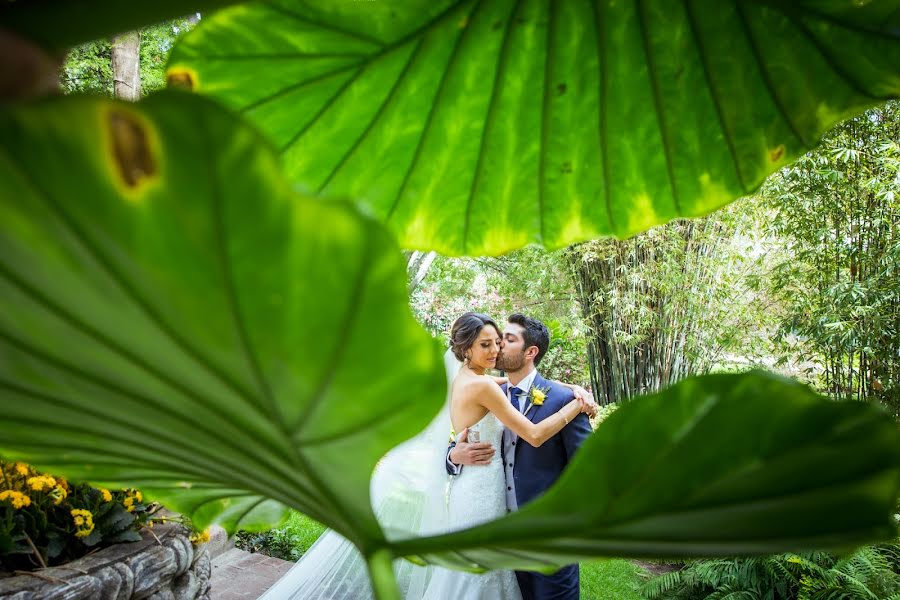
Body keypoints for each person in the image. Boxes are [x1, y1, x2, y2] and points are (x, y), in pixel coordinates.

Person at [420, 313, 594, 599]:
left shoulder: (551, 397)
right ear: (467, 349)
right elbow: (532, 435)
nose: (497, 349)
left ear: (531, 352)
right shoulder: (486, 387)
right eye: (488, 344)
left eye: (504, 341)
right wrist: (453, 454)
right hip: (491, 515)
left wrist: (573, 391)